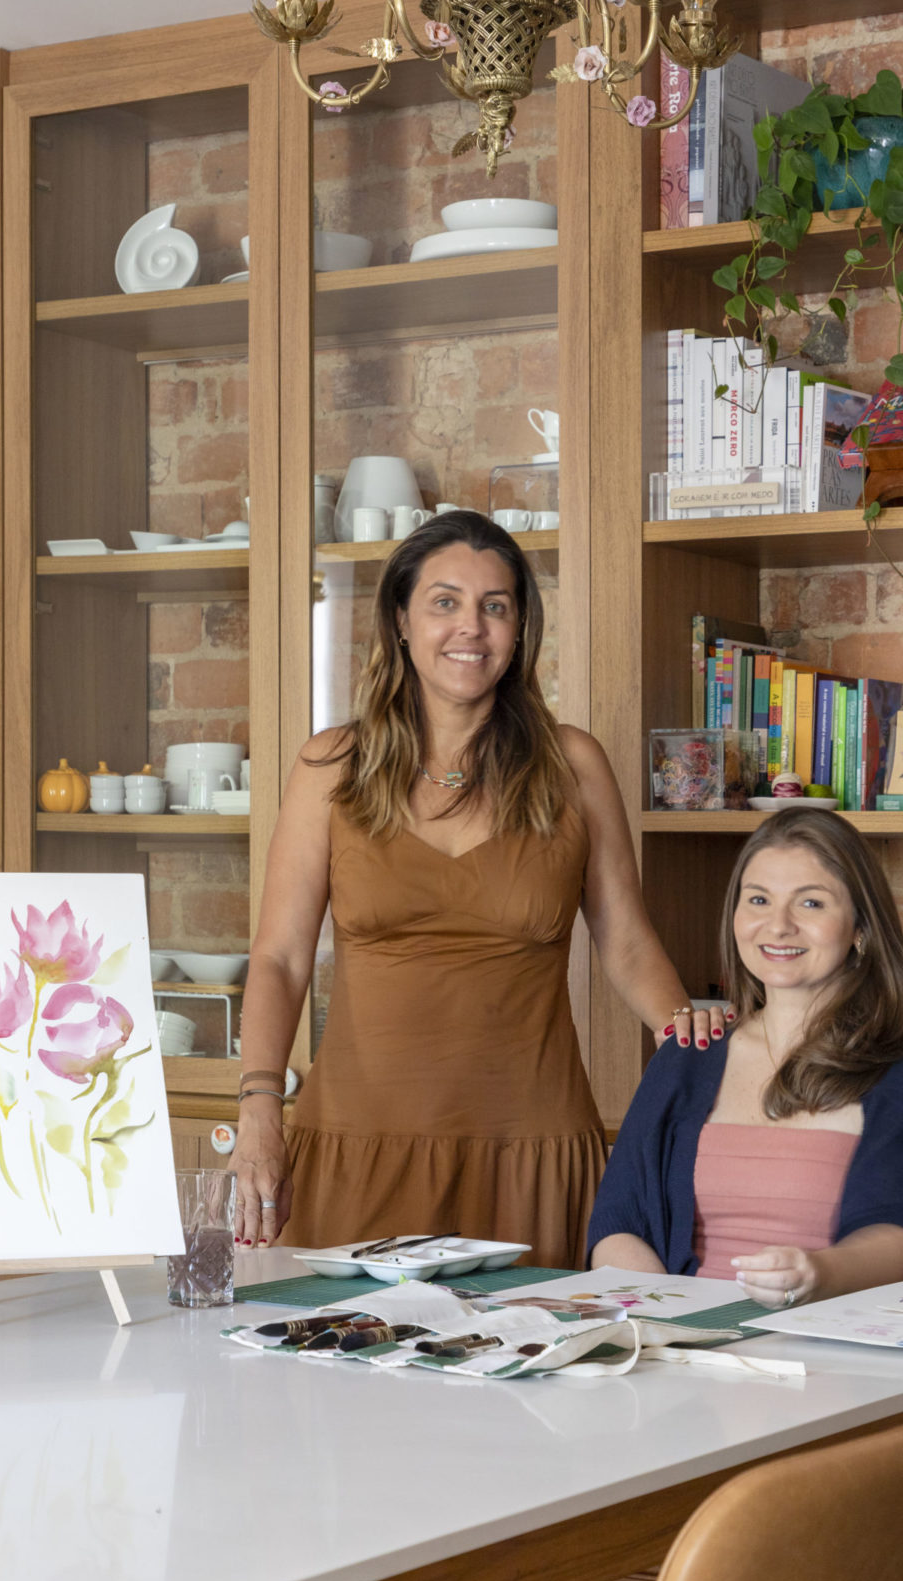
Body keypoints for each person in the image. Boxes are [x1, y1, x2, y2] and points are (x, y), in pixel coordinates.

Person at [231, 510, 725, 1266]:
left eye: (496, 606)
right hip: (356, 1146)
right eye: (445, 602)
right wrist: (261, 1105)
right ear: (400, 619)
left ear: (520, 626)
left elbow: (626, 943)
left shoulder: (574, 766)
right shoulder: (331, 767)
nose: (472, 627)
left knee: (532, 1373)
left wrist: (691, 1046)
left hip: (530, 1152)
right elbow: (280, 959)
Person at [587, 805, 903, 1304]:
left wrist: (818, 1274)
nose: (778, 925)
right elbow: (618, 1227)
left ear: (861, 927)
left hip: (833, 1349)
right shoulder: (688, 1055)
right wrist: (671, 1321)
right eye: (759, 899)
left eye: (811, 904)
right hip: (677, 1347)